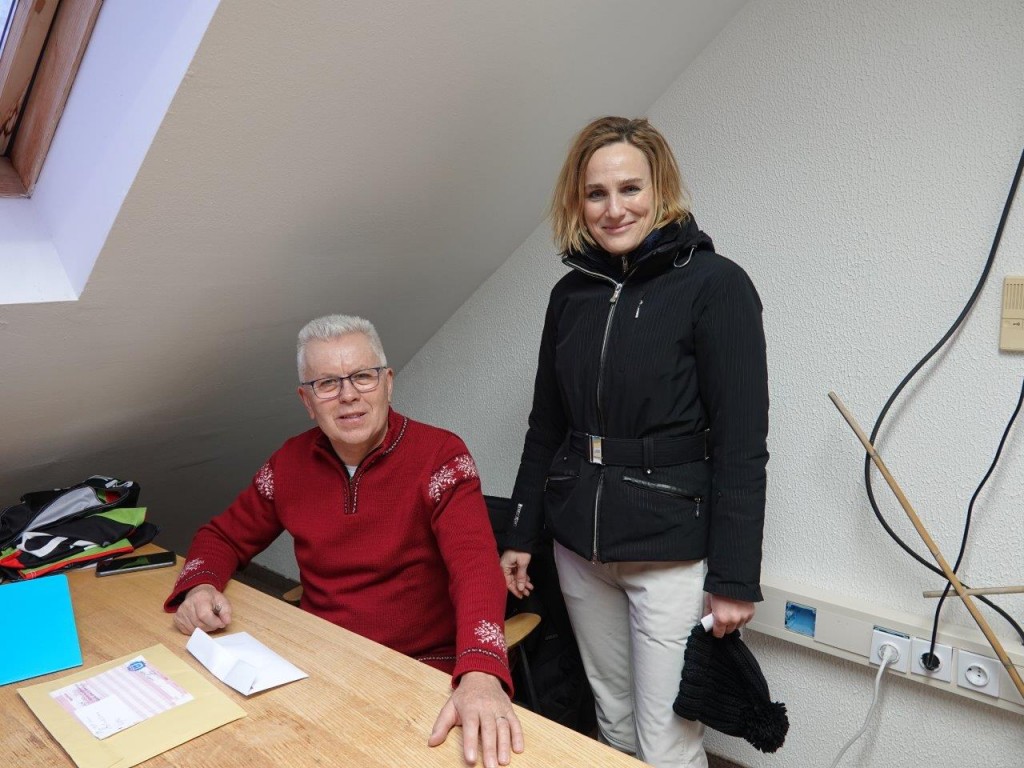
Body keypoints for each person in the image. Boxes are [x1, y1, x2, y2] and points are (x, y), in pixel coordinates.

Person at [499, 117, 769, 768]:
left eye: (630, 189)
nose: (614, 209)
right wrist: (521, 532)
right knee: (613, 722)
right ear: (577, 201)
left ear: (660, 189)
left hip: (667, 551)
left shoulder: (716, 285)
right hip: (578, 549)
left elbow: (742, 444)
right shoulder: (570, 295)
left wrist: (734, 579)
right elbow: (545, 425)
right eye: (596, 193)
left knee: (667, 739)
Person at [165, 314, 523, 768]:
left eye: (362, 376)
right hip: (316, 660)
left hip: (420, 667)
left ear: (387, 382)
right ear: (307, 401)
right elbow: (221, 536)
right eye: (327, 384)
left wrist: (481, 671)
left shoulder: (441, 456)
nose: (348, 395)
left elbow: (475, 567)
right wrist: (200, 586)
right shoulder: (289, 463)